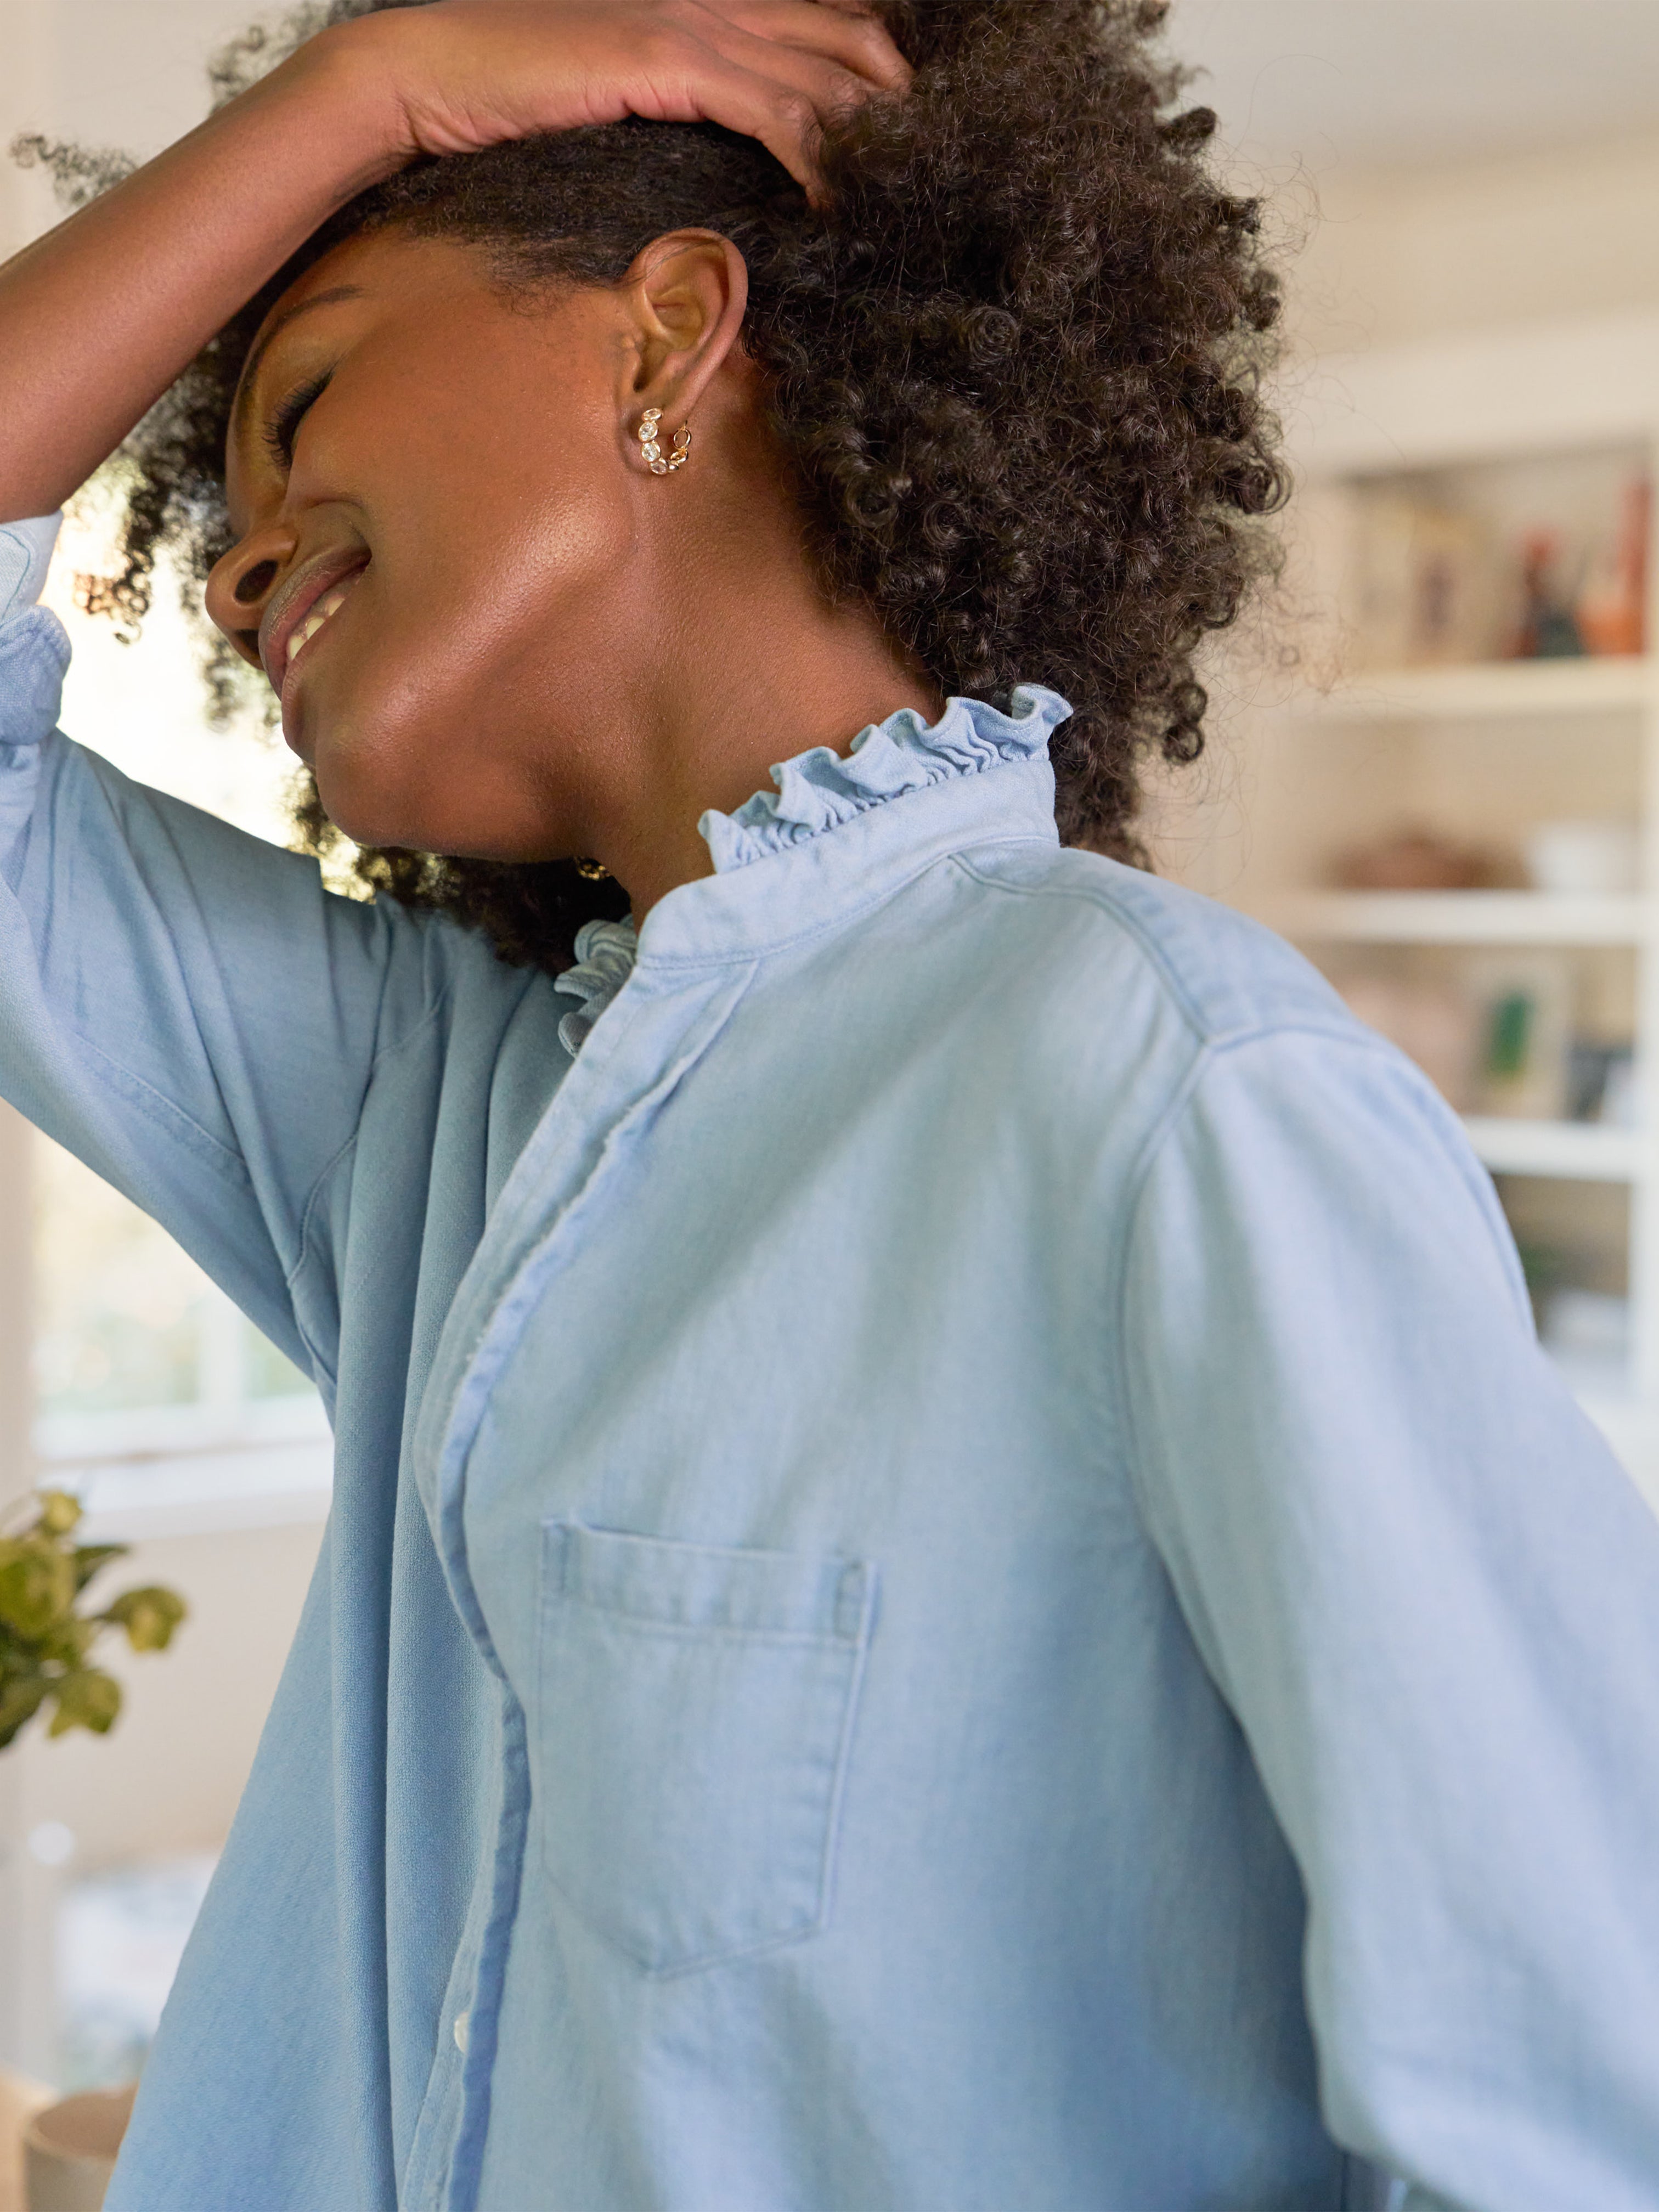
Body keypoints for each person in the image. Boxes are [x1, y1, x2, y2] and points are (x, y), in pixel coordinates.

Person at [1, 1, 1656, 2205]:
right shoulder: (422, 1114)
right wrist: (358, 91)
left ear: (669, 338)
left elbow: (1578, 2091)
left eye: (302, 396)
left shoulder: (1155, 1083)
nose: (226, 558)